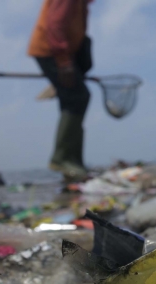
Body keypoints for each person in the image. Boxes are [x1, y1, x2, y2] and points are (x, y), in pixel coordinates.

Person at [28, 0, 94, 180]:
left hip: (63, 52)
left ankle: (74, 163)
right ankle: (62, 158)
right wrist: (64, 63)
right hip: (50, 51)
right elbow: (55, 25)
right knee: (77, 97)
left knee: (77, 96)